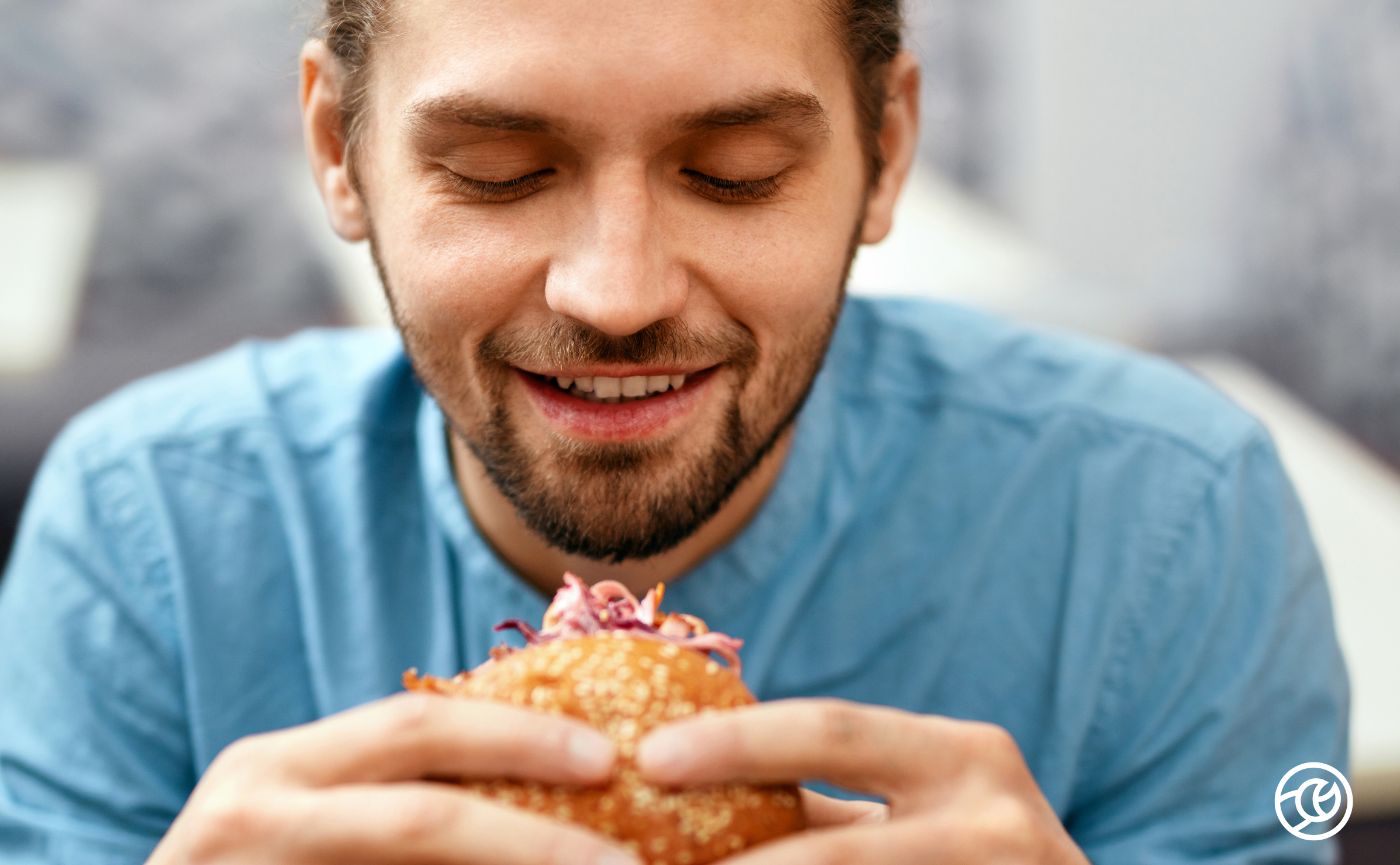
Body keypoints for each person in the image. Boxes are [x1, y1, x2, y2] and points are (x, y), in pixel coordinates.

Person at [0, 1, 1348, 863]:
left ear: (884, 150)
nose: (618, 291)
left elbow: (1305, 821)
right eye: (499, 172)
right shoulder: (145, 530)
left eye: (734, 174)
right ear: (339, 152)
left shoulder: (1175, 517)